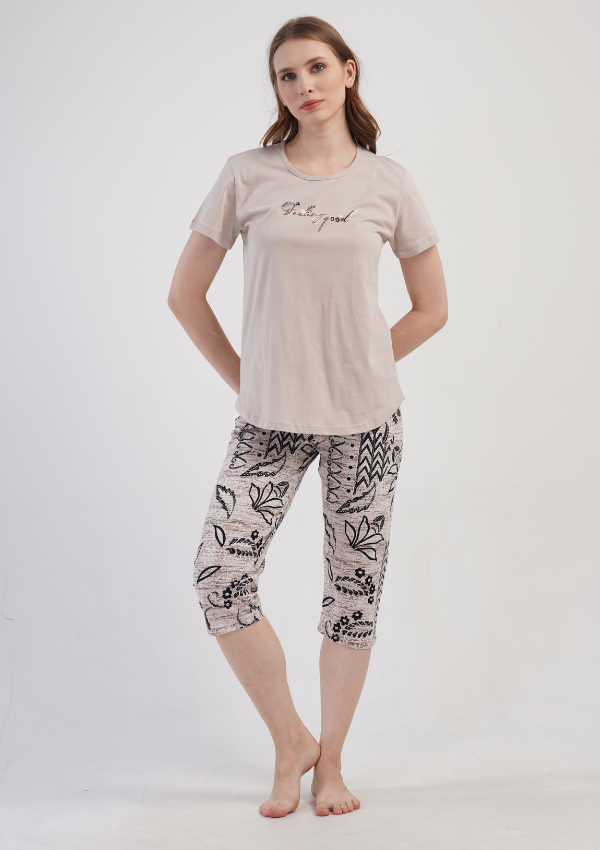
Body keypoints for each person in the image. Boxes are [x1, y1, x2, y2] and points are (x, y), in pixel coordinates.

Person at [167, 15, 448, 819]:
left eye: (317, 67)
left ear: (348, 71)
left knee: (351, 595)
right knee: (219, 574)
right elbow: (184, 295)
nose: (303, 85)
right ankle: (292, 740)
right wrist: (248, 380)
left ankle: (333, 767)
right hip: (270, 421)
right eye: (287, 75)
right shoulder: (246, 175)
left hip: (366, 422)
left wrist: (361, 363)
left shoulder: (389, 182)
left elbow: (432, 308)